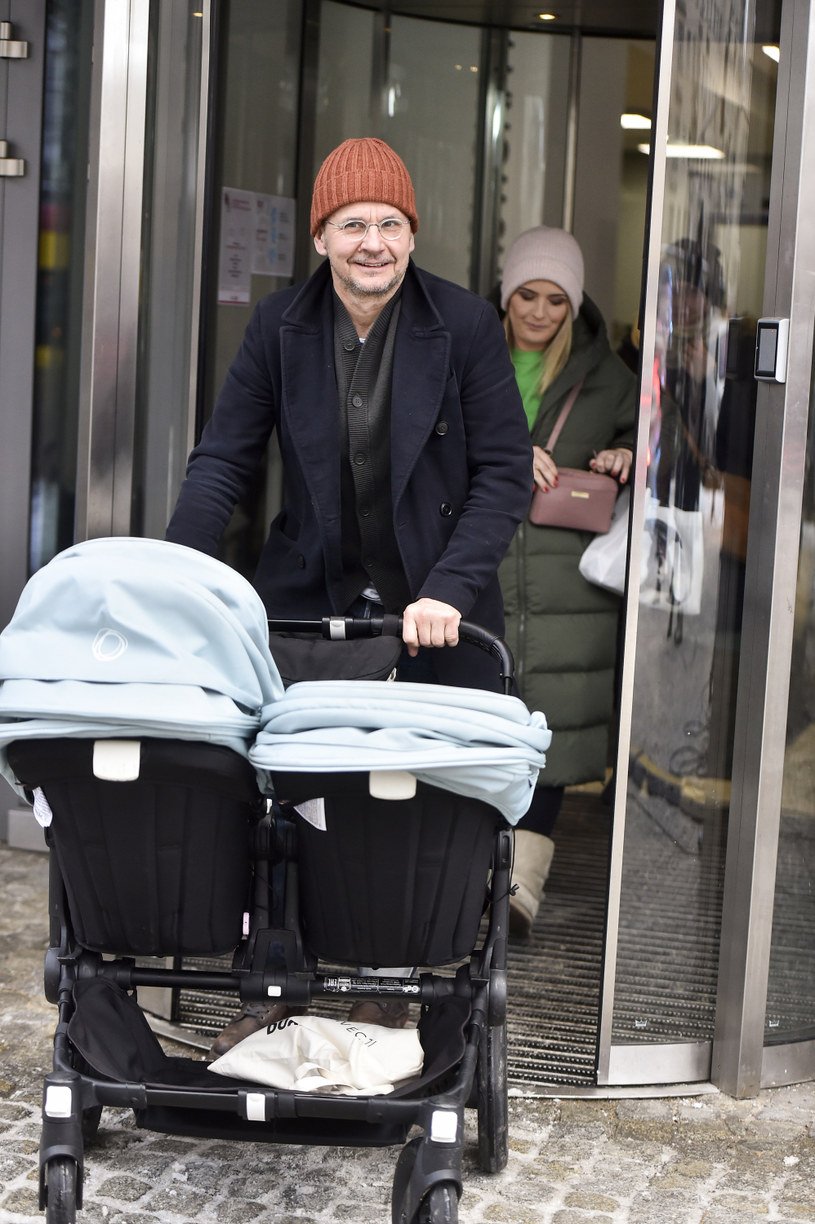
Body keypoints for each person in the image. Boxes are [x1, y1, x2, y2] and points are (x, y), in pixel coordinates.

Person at [166, 137, 533, 1046]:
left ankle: (390, 981)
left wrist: (447, 588)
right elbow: (223, 460)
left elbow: (500, 477)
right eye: (352, 224)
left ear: (412, 235)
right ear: (321, 237)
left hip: (432, 612)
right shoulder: (279, 326)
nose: (374, 242)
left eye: (391, 225)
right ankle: (276, 978)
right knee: (279, 794)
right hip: (310, 596)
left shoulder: (464, 326)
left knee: (400, 803)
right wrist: (176, 576)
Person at [496, 226, 637, 936]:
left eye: (556, 299)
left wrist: (622, 454)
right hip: (484, 570)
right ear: (505, 294)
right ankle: (466, 880)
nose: (540, 311)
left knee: (548, 737)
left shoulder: (606, 375)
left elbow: (660, 446)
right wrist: (504, 456)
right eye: (527, 294)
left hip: (567, 592)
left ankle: (519, 889)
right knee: (484, 731)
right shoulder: (469, 359)